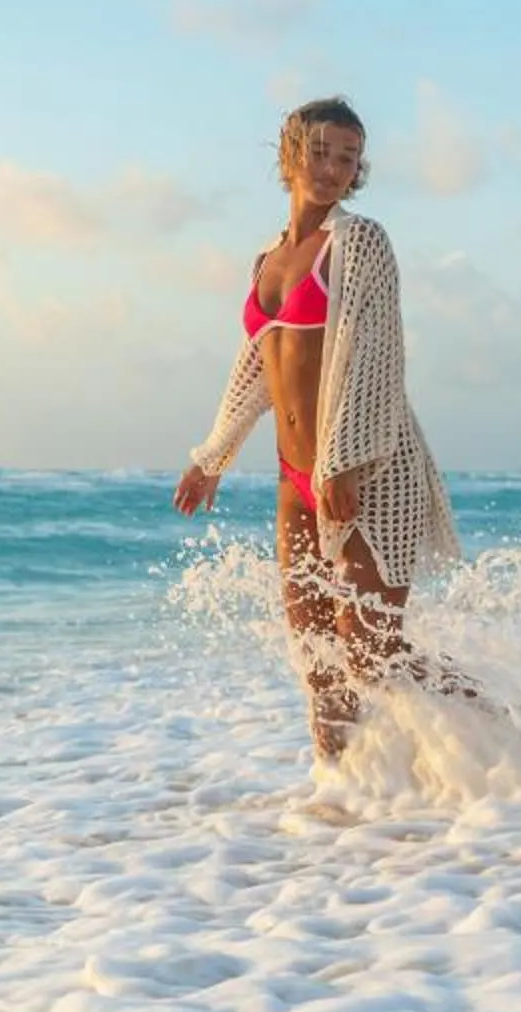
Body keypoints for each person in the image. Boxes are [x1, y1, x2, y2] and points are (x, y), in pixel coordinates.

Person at [174, 97, 465, 759]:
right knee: (317, 660)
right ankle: (341, 803)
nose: (333, 168)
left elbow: (378, 356)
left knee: (370, 654)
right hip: (294, 478)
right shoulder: (266, 261)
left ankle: (509, 721)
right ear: (291, 152)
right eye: (322, 152)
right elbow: (257, 364)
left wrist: (345, 461)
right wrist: (213, 454)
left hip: (373, 468)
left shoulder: (359, 242)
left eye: (349, 158)